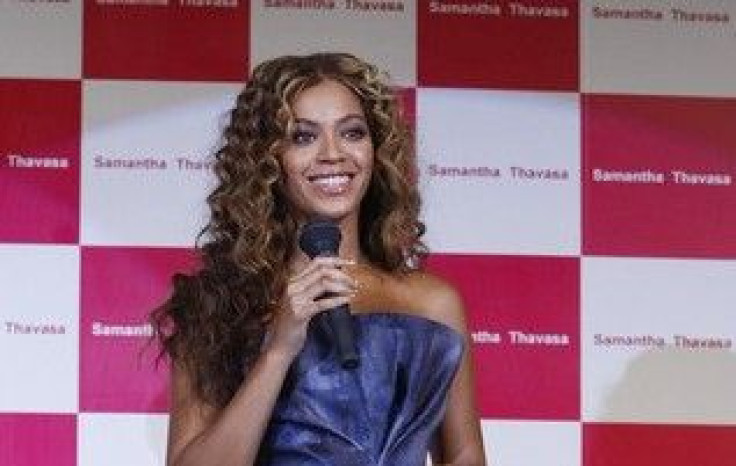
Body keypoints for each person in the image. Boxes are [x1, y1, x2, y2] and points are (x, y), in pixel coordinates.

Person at [152, 52, 486, 466]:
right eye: (303, 137)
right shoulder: (217, 305)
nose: (333, 154)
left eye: (352, 132)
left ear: (376, 150)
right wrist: (278, 350)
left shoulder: (432, 303)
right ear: (266, 159)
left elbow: (465, 455)